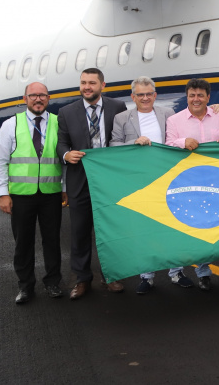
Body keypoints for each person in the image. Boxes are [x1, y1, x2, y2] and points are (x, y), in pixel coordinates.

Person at [0, 82, 66, 304]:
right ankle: (25, 287)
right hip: (21, 196)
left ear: (48, 98)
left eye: (42, 95)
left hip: (51, 193)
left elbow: (63, 160)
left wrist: (64, 189)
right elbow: (0, 162)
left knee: (52, 241)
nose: (38, 99)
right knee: (23, 243)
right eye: (33, 95)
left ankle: (53, 283)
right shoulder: (10, 125)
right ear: (25, 98)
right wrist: (2, 193)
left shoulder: (58, 122)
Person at [57, 68, 128, 300]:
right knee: (79, 232)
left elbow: (125, 136)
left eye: (92, 83)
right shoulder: (66, 112)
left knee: (110, 230)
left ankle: (111, 276)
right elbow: (61, 143)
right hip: (80, 180)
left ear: (102, 85)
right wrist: (66, 155)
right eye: (83, 82)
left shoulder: (118, 107)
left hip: (109, 181)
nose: (87, 87)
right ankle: (81, 278)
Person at [110, 76, 184, 295]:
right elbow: (113, 144)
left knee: (172, 225)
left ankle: (176, 272)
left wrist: (217, 108)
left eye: (148, 94)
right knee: (145, 229)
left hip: (167, 178)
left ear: (155, 95)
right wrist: (133, 143)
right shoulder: (122, 118)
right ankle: (146, 276)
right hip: (140, 181)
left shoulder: (168, 114)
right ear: (133, 97)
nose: (144, 98)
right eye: (140, 95)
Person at [165, 78, 219, 291]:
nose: (196, 99)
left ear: (208, 97)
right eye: (192, 95)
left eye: (200, 95)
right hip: (191, 182)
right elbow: (168, 144)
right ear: (187, 97)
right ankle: (203, 272)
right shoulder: (175, 120)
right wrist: (182, 142)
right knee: (198, 225)